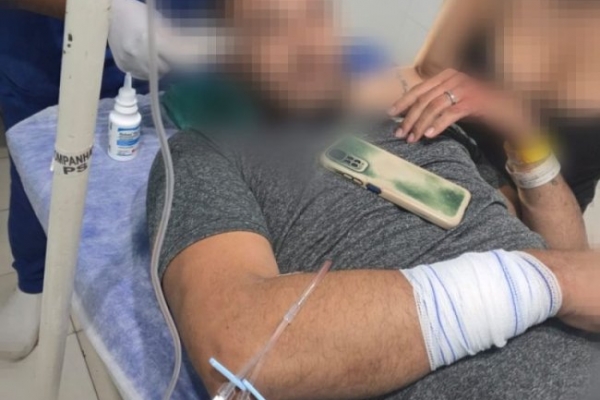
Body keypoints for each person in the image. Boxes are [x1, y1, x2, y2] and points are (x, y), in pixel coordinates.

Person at [147, 0, 599, 398]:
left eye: (314, 17)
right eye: (271, 28)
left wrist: (526, 140)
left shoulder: (422, 114)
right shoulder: (207, 154)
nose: (306, 44)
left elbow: (564, 253)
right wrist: (541, 281)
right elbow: (238, 351)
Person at [0, 0, 211, 360]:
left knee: (172, 163)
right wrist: (103, 9)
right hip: (49, 42)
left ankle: (156, 269)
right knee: (44, 167)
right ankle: (33, 280)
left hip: (176, 29)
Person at [396, 0, 600, 210]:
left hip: (508, 211)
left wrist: (522, 134)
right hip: (429, 159)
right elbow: (424, 77)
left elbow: (565, 228)